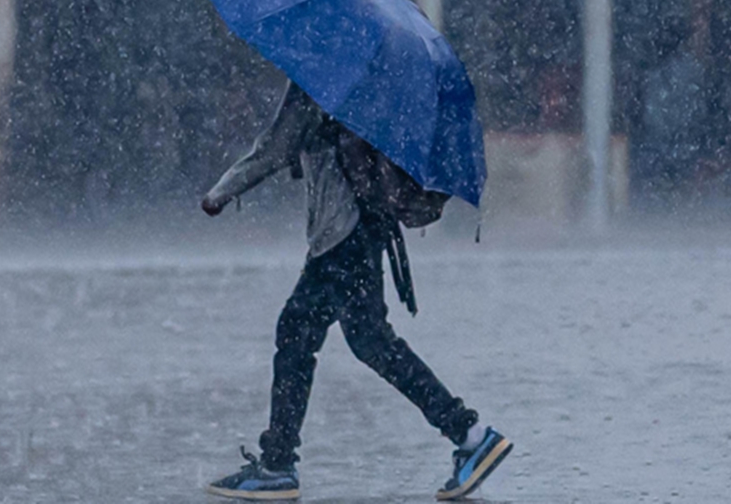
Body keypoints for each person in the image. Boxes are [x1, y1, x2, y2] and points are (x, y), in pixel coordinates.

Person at [202, 81, 511, 501]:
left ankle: (278, 464)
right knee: (361, 340)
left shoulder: (318, 79)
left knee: (306, 334)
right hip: (363, 228)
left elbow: (275, 148)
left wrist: (221, 191)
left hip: (340, 235)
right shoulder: (369, 83)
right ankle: (469, 434)